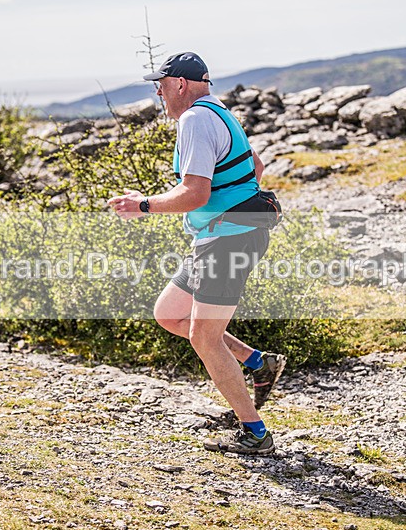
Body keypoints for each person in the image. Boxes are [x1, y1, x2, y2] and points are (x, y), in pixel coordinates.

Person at [108, 52, 286, 455]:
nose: (158, 91)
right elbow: (254, 166)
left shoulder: (194, 119)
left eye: (161, 83)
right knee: (170, 313)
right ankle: (257, 362)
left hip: (228, 240)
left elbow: (195, 193)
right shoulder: (218, 112)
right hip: (220, 236)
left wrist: (144, 205)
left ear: (181, 84)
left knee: (203, 337)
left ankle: (254, 433)